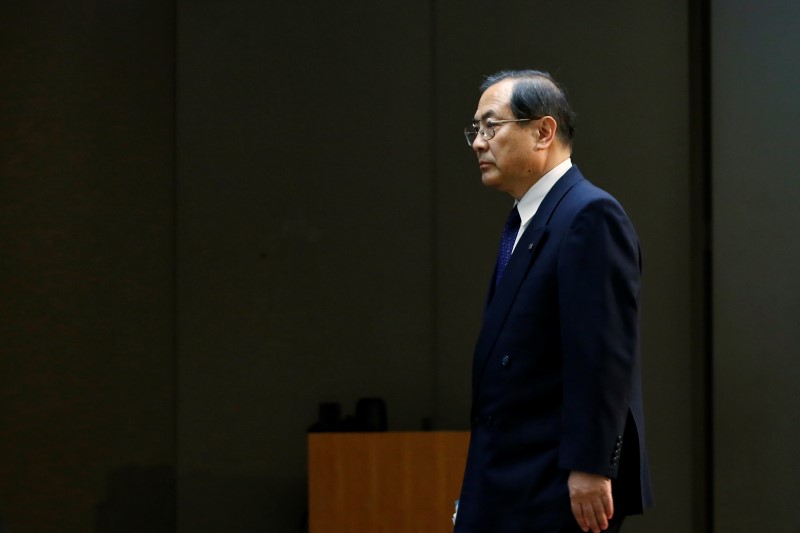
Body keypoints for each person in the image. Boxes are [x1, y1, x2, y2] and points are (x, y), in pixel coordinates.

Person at [454, 70, 653, 533]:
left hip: (555, 479)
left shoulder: (588, 214)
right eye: (476, 130)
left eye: (491, 126)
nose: (478, 143)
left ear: (542, 131)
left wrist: (591, 466)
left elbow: (603, 353)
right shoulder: (530, 217)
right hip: (512, 472)